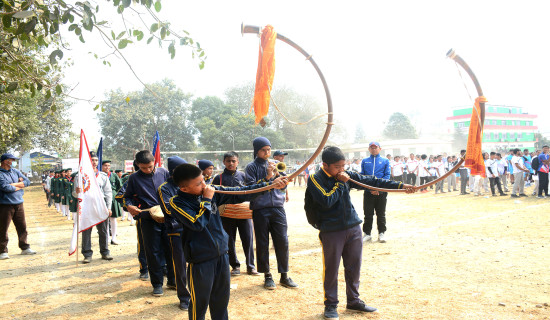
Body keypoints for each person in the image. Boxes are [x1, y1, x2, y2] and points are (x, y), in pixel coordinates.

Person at [305, 146, 414, 319]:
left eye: (343, 166)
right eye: (337, 167)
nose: (342, 170)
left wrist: (401, 185)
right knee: (331, 269)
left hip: (353, 227)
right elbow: (327, 200)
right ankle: (331, 305)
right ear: (325, 165)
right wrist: (341, 182)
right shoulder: (315, 178)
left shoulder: (345, 174)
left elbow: (371, 181)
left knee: (354, 267)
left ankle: (353, 301)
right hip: (332, 231)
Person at [169, 162, 288, 320]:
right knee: (200, 302)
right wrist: (206, 200)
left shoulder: (209, 192)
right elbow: (197, 223)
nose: (204, 185)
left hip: (222, 255)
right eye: (199, 183)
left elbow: (240, 192)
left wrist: (269, 185)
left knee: (221, 301)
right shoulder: (177, 202)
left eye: (203, 180)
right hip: (200, 260)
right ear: (184, 188)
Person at [245, 137, 298, 290]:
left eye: (269, 150)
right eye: (263, 150)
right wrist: (268, 177)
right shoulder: (251, 167)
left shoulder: (276, 165)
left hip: (278, 208)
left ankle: (284, 275)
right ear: (257, 151)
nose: (267, 153)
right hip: (260, 209)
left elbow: (282, 186)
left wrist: (280, 179)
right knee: (262, 242)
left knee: (282, 241)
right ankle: (267, 275)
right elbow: (250, 189)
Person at [124, 150, 175, 297]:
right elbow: (127, 197)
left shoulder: (164, 173)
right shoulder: (134, 178)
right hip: (147, 219)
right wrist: (129, 205)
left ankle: (173, 280)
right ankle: (157, 284)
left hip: (167, 218)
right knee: (153, 252)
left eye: (150, 167)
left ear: (155, 163)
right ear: (138, 165)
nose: (148, 170)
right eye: (144, 168)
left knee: (171, 249)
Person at [212, 151, 259, 276]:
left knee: (248, 239)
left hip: (244, 214)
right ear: (224, 162)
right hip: (226, 215)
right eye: (228, 161)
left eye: (233, 161)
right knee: (229, 241)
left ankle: (251, 266)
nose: (231, 163)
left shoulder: (244, 176)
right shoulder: (218, 178)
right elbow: (214, 196)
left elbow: (251, 191)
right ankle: (235, 266)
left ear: (237, 161)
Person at [157, 156, 191, 311]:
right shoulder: (164, 188)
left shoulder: (190, 183)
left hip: (192, 228)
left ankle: (198, 293)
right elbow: (169, 210)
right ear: (174, 171)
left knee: (195, 263)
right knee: (180, 266)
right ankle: (184, 297)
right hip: (176, 230)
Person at [0, 153, 37, 260]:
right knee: (3, 228)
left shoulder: (15, 171)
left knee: (22, 226)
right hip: (5, 205)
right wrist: (19, 185)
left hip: (19, 203)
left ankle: (24, 247)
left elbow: (27, 182)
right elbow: (5, 187)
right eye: (11, 160)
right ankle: (2, 251)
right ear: (6, 161)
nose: (13, 162)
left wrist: (14, 185)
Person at [80, 151, 113, 264]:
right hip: (86, 207)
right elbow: (75, 194)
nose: (94, 162)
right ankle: (87, 253)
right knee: (86, 230)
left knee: (103, 230)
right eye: (92, 160)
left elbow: (108, 193)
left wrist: (108, 207)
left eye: (95, 160)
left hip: (101, 206)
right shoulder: (80, 176)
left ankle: (105, 251)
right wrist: (76, 192)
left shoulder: (103, 176)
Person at [360, 142, 391, 242]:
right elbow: (362, 176)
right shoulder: (365, 161)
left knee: (381, 213)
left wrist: (378, 189)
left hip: (381, 191)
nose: (373, 149)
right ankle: (367, 234)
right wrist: (370, 189)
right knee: (368, 214)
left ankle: (381, 233)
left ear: (380, 149)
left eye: (375, 147)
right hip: (368, 191)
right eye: (371, 148)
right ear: (369, 149)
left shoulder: (385, 161)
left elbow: (387, 176)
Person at [101, 160, 123, 245]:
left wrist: (117, 196)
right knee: (104, 220)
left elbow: (120, 186)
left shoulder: (114, 175)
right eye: (105, 166)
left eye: (108, 166)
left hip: (113, 199)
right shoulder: (99, 175)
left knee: (113, 219)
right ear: (102, 166)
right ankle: (106, 239)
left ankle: (113, 238)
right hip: (103, 199)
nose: (107, 167)